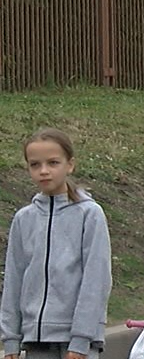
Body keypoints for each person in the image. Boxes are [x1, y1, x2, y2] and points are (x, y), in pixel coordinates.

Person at [1, 129, 112, 359]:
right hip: (35, 341)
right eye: (35, 165)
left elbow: (96, 279)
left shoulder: (89, 214)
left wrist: (81, 339)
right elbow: (14, 279)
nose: (44, 171)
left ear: (70, 164)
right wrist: (10, 339)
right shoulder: (24, 219)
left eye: (53, 163)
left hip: (76, 342)